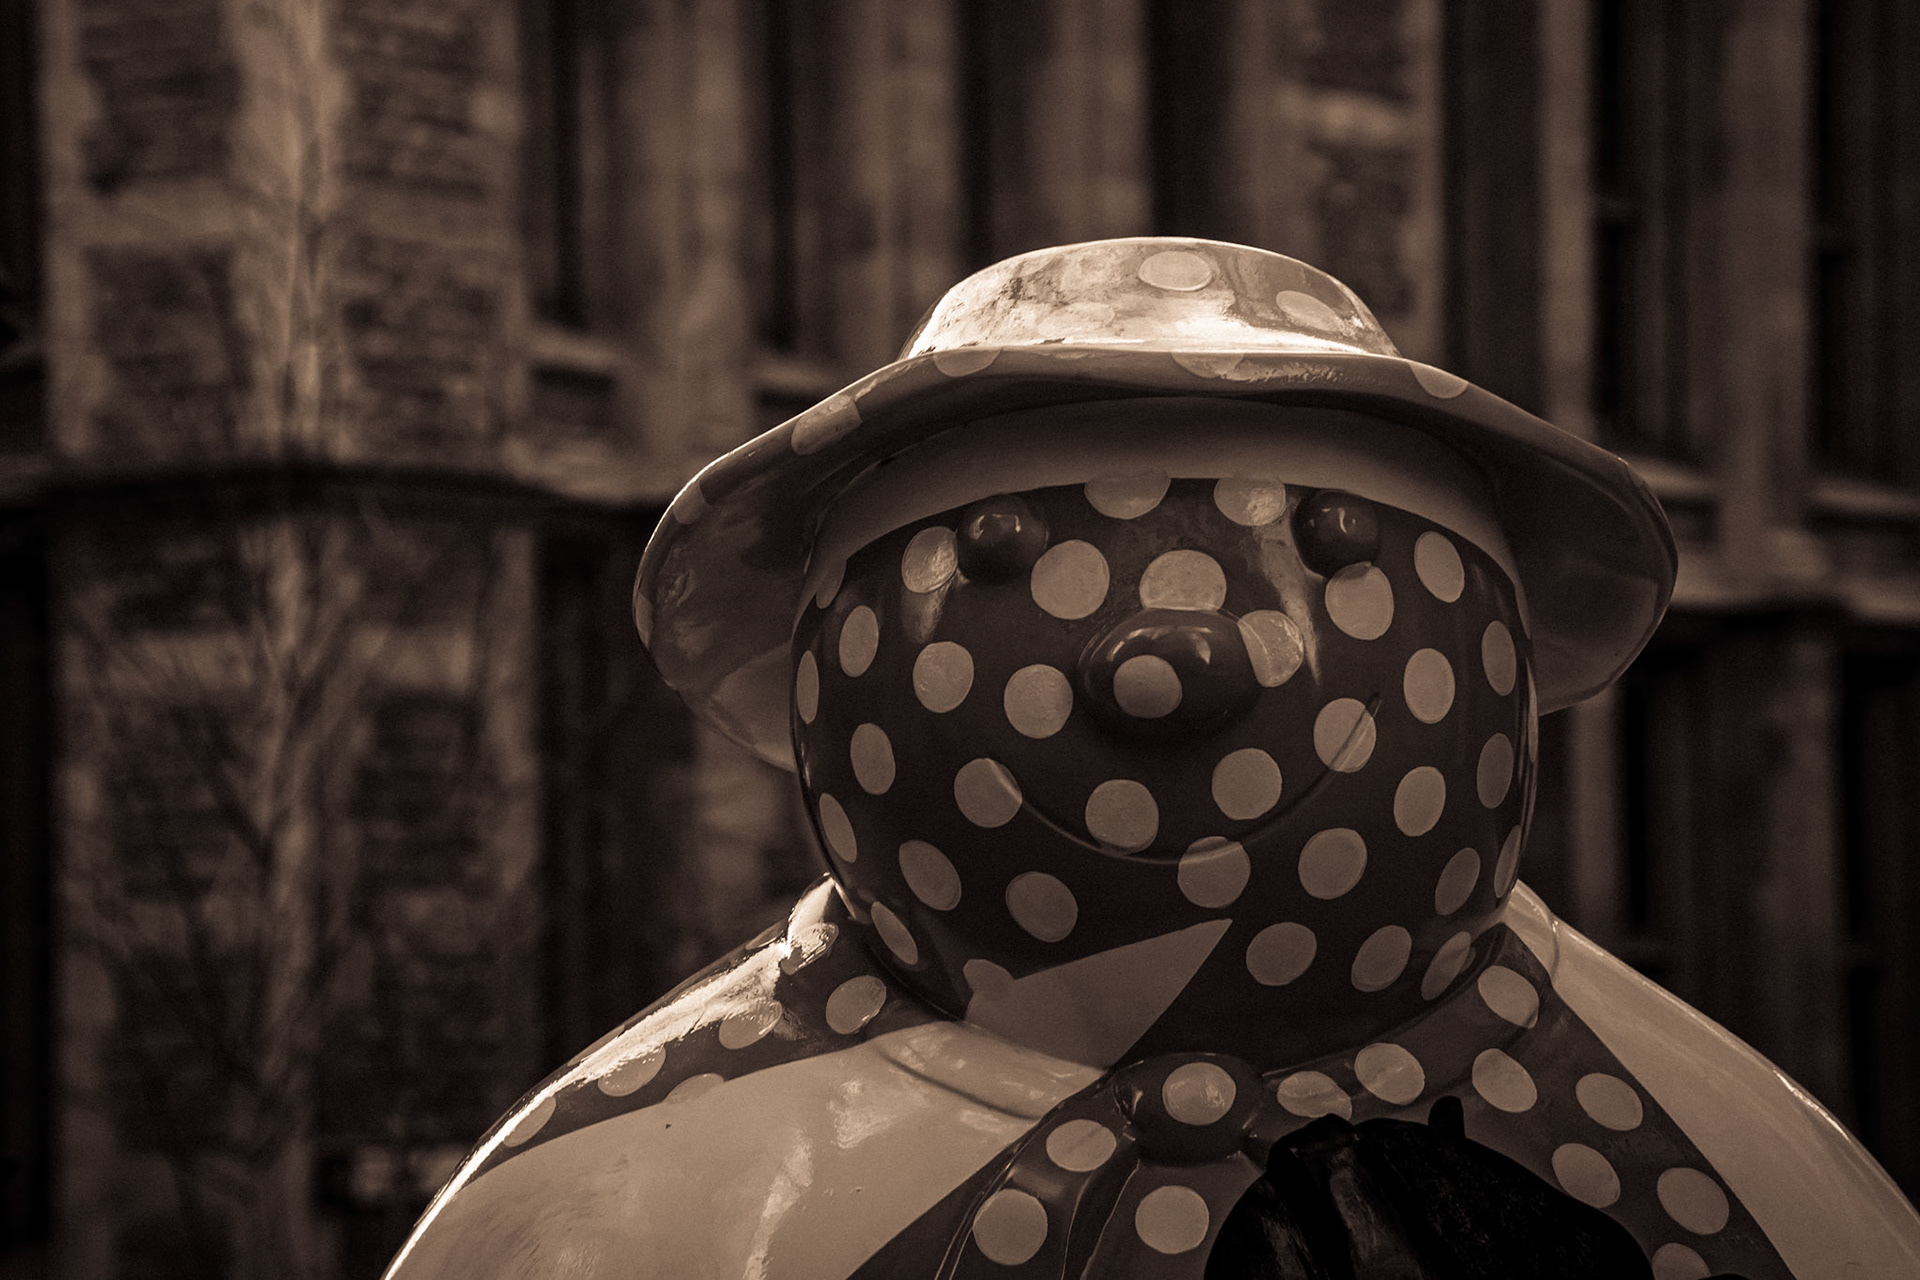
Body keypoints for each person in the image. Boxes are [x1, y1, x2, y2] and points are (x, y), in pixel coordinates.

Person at [384, 238, 1920, 1279]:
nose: (1170, 662)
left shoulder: (1720, 1158)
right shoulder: (621, 1196)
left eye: (1331, 547)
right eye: (998, 556)